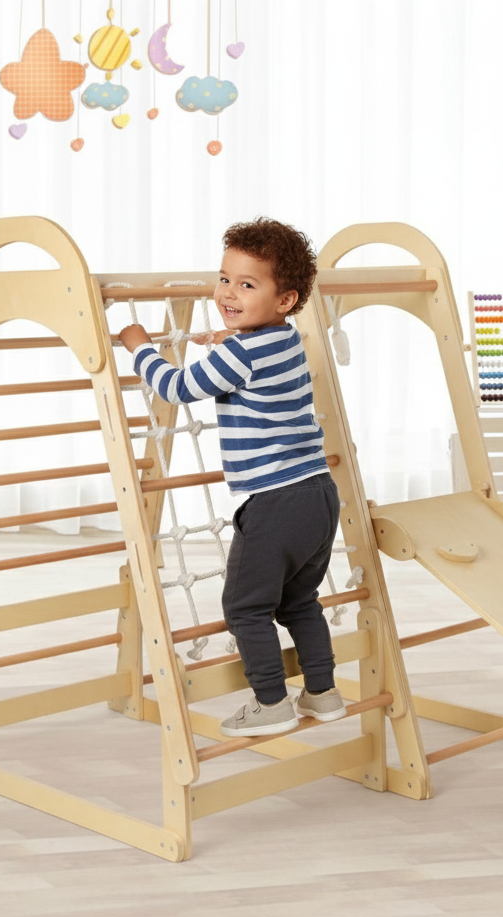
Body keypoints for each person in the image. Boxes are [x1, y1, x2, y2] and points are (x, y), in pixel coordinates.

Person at [119, 218, 345, 737]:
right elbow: (251, 360)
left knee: (244, 606)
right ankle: (322, 694)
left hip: (274, 501)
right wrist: (229, 338)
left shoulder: (239, 352)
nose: (228, 293)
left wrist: (138, 346)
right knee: (299, 601)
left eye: (247, 285)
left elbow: (176, 387)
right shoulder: (281, 341)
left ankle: (271, 702)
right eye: (224, 279)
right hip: (317, 496)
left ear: (284, 300)